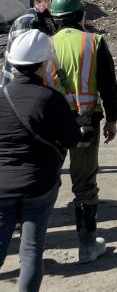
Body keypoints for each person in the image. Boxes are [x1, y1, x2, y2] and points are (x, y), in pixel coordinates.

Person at [0, 30, 82, 292]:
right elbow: (71, 140)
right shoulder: (51, 99)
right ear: (45, 63)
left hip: (2, 186)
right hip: (39, 185)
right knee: (32, 252)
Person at [47, 0, 117, 263]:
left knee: (46, 180)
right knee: (85, 185)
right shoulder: (94, 42)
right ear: (81, 16)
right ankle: (87, 246)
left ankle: (32, 244)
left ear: (55, 20)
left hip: (51, 127)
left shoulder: (45, 44)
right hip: (85, 124)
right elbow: (109, 86)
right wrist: (112, 119)